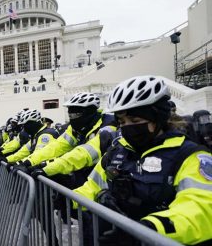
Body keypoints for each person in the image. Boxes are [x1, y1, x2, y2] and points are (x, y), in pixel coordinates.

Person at [73, 76, 212, 245]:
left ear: (157, 118)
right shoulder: (118, 152)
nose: (127, 127)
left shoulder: (189, 156)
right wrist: (66, 199)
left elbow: (201, 209)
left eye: (136, 121)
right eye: (122, 122)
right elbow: (92, 187)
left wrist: (148, 229)